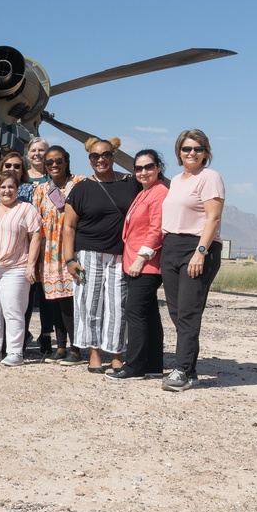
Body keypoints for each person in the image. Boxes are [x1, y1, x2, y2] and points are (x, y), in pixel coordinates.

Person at [63, 137, 140, 372]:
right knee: (90, 304)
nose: (100, 160)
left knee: (119, 305)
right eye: (94, 156)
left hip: (120, 255)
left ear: (113, 156)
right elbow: (69, 226)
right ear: (89, 160)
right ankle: (94, 352)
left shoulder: (130, 184)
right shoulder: (82, 188)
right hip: (88, 255)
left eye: (105, 155)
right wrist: (69, 260)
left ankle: (116, 353)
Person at [159, 129, 225, 392]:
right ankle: (191, 369)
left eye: (197, 149)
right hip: (172, 245)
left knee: (188, 311)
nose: (192, 153)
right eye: (186, 149)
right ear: (179, 152)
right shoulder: (176, 180)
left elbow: (214, 218)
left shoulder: (210, 177)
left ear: (205, 152)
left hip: (196, 247)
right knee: (177, 312)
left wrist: (200, 251)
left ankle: (182, 370)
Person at [107, 150, 170, 381]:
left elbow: (157, 229)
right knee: (149, 314)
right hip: (135, 261)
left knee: (135, 314)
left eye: (149, 166)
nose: (143, 172)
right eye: (138, 168)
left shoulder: (159, 193)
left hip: (146, 264)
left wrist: (141, 259)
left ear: (159, 167)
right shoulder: (146, 192)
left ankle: (133, 367)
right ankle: (153, 364)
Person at [0, 172, 43, 366]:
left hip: (16, 267)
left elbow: (36, 236)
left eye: (11, 187)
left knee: (13, 310)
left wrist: (31, 265)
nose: (7, 191)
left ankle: (15, 352)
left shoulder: (26, 209)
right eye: (3, 187)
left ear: (17, 189)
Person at [32, 145, 85, 364]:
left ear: (67, 161)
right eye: (49, 162)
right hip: (49, 252)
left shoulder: (79, 183)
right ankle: (61, 346)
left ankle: (76, 347)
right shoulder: (41, 190)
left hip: (71, 249)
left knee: (71, 302)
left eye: (58, 161)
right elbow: (36, 222)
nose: (54, 165)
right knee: (53, 301)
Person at [23, 137, 55, 356]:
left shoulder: (53, 177)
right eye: (33, 150)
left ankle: (46, 334)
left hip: (48, 242)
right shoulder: (20, 177)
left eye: (41, 150)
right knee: (24, 293)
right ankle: (21, 334)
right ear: (27, 154)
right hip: (22, 242)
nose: (37, 154)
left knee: (46, 295)